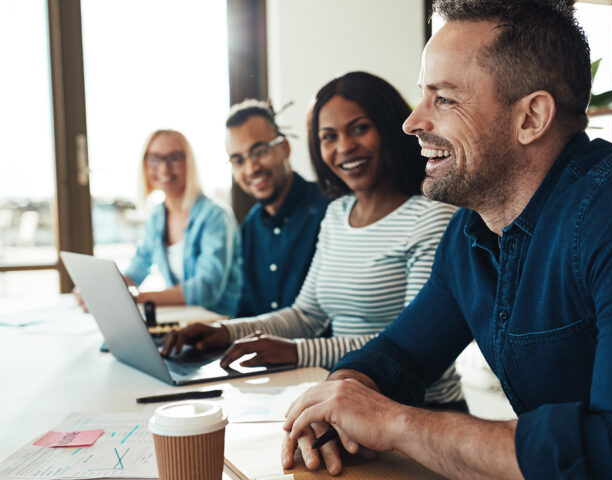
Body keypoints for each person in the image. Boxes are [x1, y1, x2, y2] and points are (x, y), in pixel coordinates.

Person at [282, 2, 612, 479]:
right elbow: (399, 355)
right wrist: (338, 399)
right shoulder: (471, 232)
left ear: (531, 117)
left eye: (444, 99)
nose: (412, 123)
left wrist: (396, 423)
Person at [161, 72, 466, 438]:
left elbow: (404, 342)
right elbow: (307, 314)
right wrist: (225, 332)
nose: (344, 147)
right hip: (349, 403)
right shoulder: (337, 214)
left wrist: (295, 352)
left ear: (388, 128)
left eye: (359, 129)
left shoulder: (431, 217)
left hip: (420, 415)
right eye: (328, 137)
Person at [119, 129, 243, 316]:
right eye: (154, 158)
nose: (164, 168)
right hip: (182, 322)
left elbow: (206, 289)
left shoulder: (215, 216)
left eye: (174, 158)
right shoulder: (157, 216)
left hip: (218, 325)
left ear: (189, 163)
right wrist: (106, 292)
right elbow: (138, 267)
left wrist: (138, 299)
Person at [224, 99, 330, 317]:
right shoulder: (249, 227)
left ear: (285, 148)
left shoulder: (329, 211)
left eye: (260, 151)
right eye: (238, 160)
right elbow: (246, 309)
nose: (251, 168)